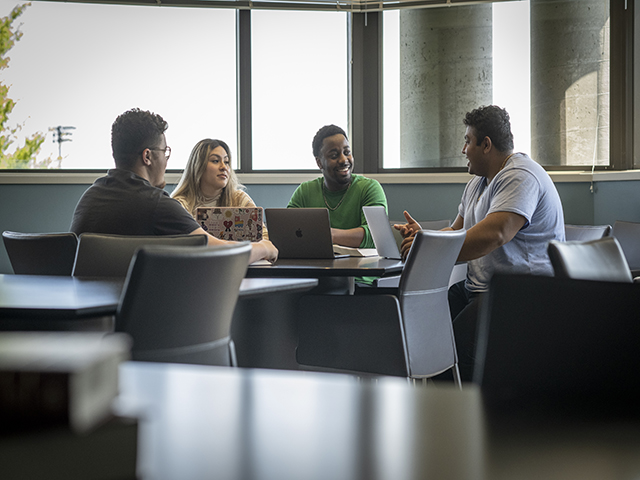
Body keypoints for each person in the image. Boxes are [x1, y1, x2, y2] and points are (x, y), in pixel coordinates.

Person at [395, 105, 565, 382]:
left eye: (467, 141)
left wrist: (427, 247)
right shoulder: (477, 183)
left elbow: (495, 234)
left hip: (523, 294)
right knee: (422, 335)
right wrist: (424, 236)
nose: (463, 150)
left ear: (486, 144)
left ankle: (464, 419)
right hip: (479, 289)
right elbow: (456, 231)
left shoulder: (521, 175)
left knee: (454, 353)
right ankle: (438, 416)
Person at [70, 108, 278, 264]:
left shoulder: (88, 199)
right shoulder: (157, 205)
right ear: (148, 156)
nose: (166, 160)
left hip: (89, 317)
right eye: (164, 151)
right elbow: (223, 254)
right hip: (148, 315)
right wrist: (264, 248)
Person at [287, 124, 387, 248]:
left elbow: (377, 236)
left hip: (362, 266)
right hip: (316, 265)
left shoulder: (369, 188)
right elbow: (287, 232)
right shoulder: (305, 192)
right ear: (319, 163)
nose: (343, 160)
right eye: (334, 155)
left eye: (347, 152)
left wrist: (329, 235)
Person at [171, 138, 268, 239]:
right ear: (198, 167)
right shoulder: (180, 205)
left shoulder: (239, 199)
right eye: (215, 161)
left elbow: (264, 238)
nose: (224, 167)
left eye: (226, 162)